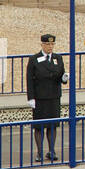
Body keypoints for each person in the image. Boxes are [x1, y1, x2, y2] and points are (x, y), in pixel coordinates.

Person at [26, 33, 67, 162]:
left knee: (53, 125)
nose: (50, 47)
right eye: (47, 44)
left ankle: (52, 150)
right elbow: (29, 80)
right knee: (39, 127)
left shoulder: (57, 58)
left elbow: (60, 74)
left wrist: (64, 79)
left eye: (52, 44)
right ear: (42, 44)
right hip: (40, 97)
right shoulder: (34, 59)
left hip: (53, 96)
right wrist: (31, 97)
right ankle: (39, 151)